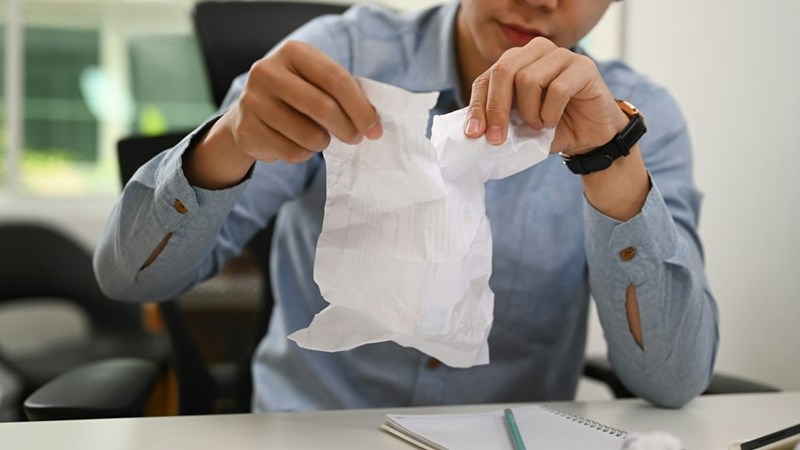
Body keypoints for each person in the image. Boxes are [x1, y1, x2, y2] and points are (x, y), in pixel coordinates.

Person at [95, 0, 718, 412]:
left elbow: (672, 379)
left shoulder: (635, 118)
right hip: (311, 431)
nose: (542, 0)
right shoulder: (345, 57)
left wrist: (609, 160)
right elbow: (129, 278)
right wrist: (227, 141)